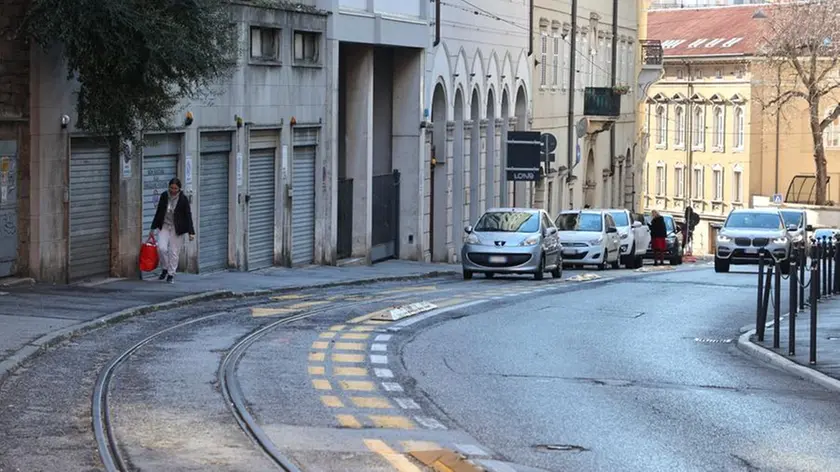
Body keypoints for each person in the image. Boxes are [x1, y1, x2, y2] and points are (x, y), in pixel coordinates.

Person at [150, 178, 195, 283]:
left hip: (177, 227)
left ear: (179, 188)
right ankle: (165, 268)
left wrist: (191, 232)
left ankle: (171, 274)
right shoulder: (164, 196)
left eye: (176, 188)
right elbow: (159, 211)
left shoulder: (183, 199)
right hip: (164, 225)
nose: (173, 190)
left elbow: (188, 215)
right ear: (168, 187)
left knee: (174, 251)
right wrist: (153, 227)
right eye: (171, 188)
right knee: (161, 248)